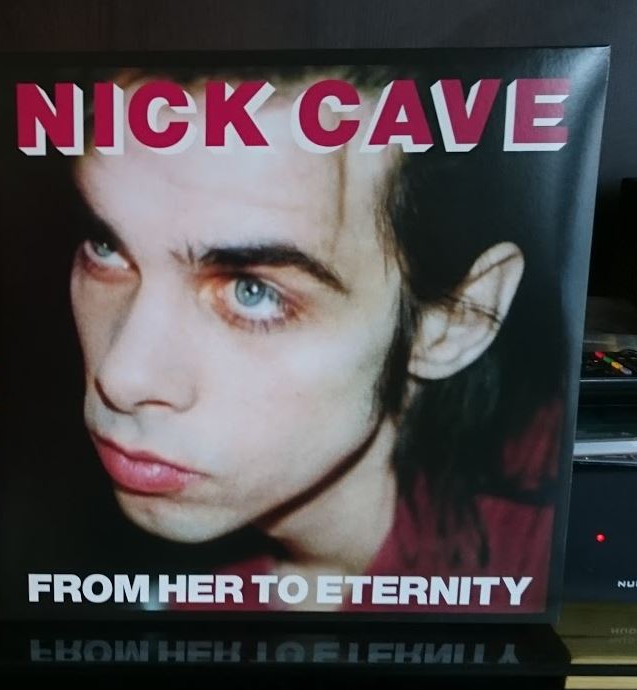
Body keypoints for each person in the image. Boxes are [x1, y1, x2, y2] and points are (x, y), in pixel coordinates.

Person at [65, 67, 563, 612]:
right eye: (106, 247)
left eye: (252, 291)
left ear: (452, 323)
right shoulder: (179, 597)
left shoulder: (545, 556)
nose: (121, 377)